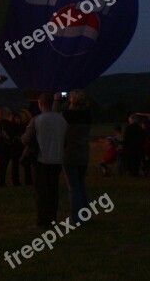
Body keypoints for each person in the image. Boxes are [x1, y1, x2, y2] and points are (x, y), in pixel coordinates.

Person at [22, 92, 66, 229]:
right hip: (57, 160)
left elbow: (26, 139)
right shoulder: (62, 120)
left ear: (40, 104)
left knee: (41, 193)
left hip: (41, 160)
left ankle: (42, 222)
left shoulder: (37, 120)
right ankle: (52, 220)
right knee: (53, 192)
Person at [59, 90, 92, 223]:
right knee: (81, 185)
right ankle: (86, 214)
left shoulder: (68, 114)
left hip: (70, 153)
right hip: (83, 152)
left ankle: (76, 217)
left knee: (73, 186)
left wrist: (57, 101)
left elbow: (58, 118)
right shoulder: (87, 115)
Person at [0, 107, 15, 187]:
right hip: (4, 146)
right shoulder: (6, 123)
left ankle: (0, 181)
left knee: (2, 164)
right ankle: (0, 182)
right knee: (3, 164)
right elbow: (11, 134)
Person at [11, 112, 32, 185]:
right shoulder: (13, 127)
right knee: (15, 166)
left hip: (23, 148)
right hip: (15, 148)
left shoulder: (25, 126)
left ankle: (28, 181)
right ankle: (16, 182)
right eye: (16, 118)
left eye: (19, 118)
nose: (18, 120)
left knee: (26, 165)